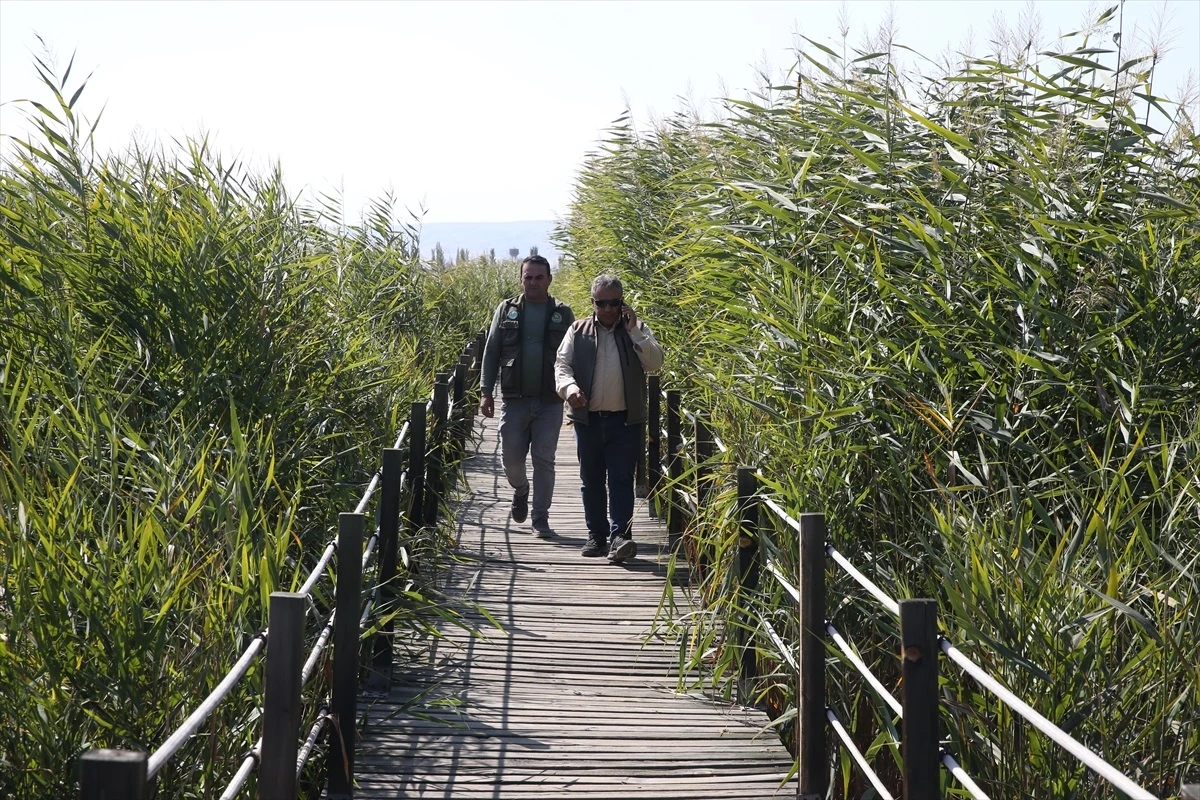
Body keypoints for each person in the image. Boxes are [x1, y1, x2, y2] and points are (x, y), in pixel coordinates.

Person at [555, 274, 664, 562]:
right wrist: (570, 389)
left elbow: (655, 363)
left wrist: (634, 332)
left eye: (614, 303)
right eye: (601, 303)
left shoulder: (636, 329)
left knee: (620, 479)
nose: (607, 309)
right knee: (590, 479)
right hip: (588, 419)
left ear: (622, 302)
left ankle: (621, 537)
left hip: (625, 420)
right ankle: (597, 536)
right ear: (592, 303)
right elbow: (562, 366)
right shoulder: (577, 331)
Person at [479, 255, 575, 537]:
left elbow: (574, 355)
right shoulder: (506, 310)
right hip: (515, 398)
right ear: (521, 279)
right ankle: (521, 489)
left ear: (549, 279)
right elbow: (491, 350)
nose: (533, 282)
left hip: (550, 401)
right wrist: (486, 392)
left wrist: (573, 391)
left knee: (544, 459)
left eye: (539, 277)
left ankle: (540, 519)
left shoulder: (562, 312)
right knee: (510, 458)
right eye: (528, 277)